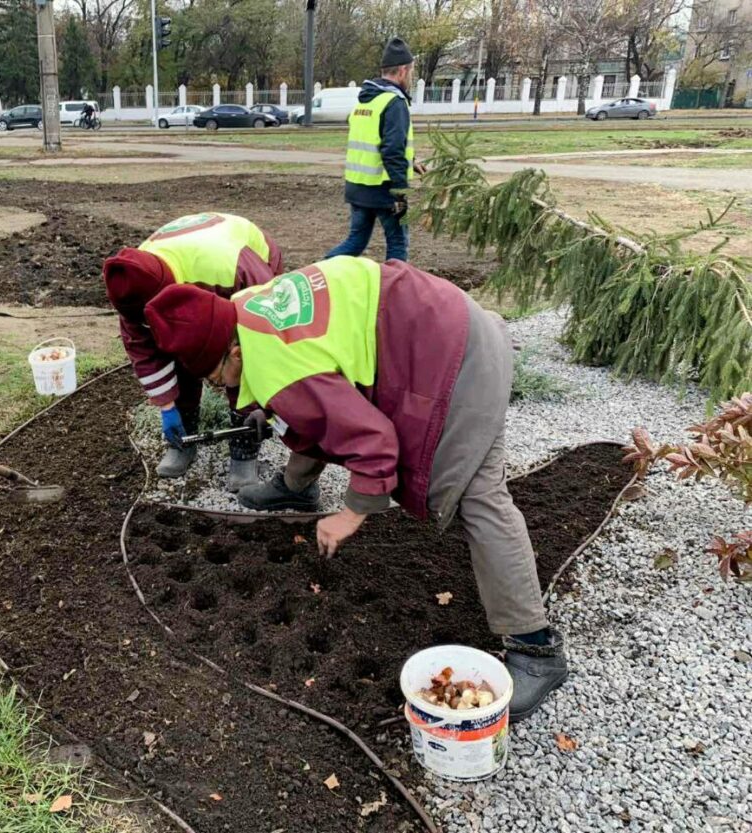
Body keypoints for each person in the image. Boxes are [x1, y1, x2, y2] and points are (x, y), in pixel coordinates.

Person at [143, 256, 568, 720]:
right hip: (433, 317)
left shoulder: (279, 369)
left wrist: (351, 513)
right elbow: (318, 395)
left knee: (476, 498)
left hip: (456, 356)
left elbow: (372, 440)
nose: (215, 387)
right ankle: (295, 487)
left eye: (213, 377)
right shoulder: (243, 307)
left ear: (236, 353)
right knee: (308, 405)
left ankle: (535, 650)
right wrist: (271, 409)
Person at [103, 212, 283, 490]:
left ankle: (244, 449)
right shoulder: (131, 283)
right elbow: (144, 350)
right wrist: (167, 405)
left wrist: (259, 405)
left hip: (246, 264)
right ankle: (184, 438)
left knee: (242, 353)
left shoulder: (228, 268)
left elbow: (265, 336)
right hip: (193, 259)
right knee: (182, 351)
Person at [326, 37, 427, 262]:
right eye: (410, 71)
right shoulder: (394, 102)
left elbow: (373, 141)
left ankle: (319, 274)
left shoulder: (365, 101)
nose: (410, 77)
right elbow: (391, 150)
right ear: (402, 70)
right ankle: (396, 294)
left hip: (357, 187)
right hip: (383, 191)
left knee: (355, 242)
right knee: (398, 245)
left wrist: (411, 161)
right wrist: (401, 193)